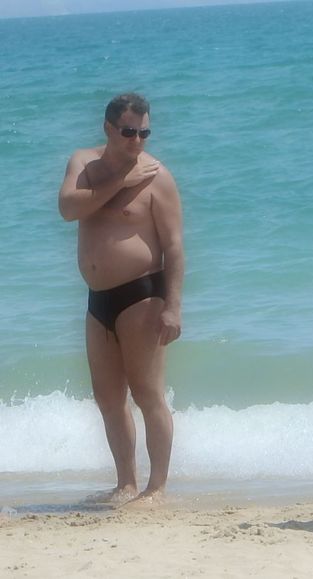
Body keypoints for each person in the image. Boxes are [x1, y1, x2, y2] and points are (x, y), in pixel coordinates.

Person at [58, 93, 184, 505]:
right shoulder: (85, 164)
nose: (137, 141)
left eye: (144, 133)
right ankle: (126, 483)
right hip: (97, 299)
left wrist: (173, 306)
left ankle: (157, 487)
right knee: (108, 398)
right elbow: (68, 208)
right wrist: (120, 182)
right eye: (129, 132)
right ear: (108, 129)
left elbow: (174, 247)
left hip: (140, 295)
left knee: (147, 393)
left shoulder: (157, 177)